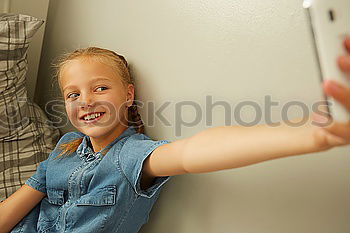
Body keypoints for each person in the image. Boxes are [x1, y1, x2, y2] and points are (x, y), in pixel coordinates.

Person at [0, 37, 350, 233]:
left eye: (100, 87)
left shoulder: (132, 156)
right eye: (73, 94)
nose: (85, 100)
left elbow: (193, 152)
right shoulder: (65, 146)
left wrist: (312, 136)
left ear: (128, 94)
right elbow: (20, 205)